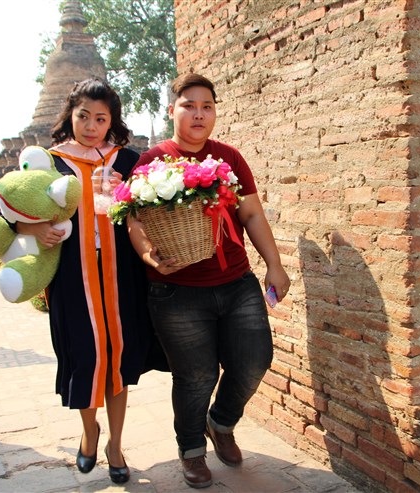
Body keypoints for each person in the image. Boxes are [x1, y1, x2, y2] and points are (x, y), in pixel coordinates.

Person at [128, 73, 291, 489]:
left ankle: (221, 422)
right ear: (172, 110)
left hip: (236, 281)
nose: (198, 114)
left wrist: (274, 264)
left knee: (255, 360)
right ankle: (191, 451)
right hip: (176, 292)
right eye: (189, 106)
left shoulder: (229, 158)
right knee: (196, 376)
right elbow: (133, 220)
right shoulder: (152, 161)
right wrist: (148, 254)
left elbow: (251, 213)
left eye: (207, 107)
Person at [16, 77, 163, 484]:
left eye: (101, 118)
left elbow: (149, 212)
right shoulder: (48, 163)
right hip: (72, 279)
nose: (91, 126)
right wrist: (36, 230)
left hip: (122, 277)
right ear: (71, 116)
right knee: (84, 357)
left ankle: (115, 444)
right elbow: (16, 217)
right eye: (84, 116)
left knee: (117, 358)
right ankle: (89, 431)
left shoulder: (127, 160)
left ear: (111, 121)